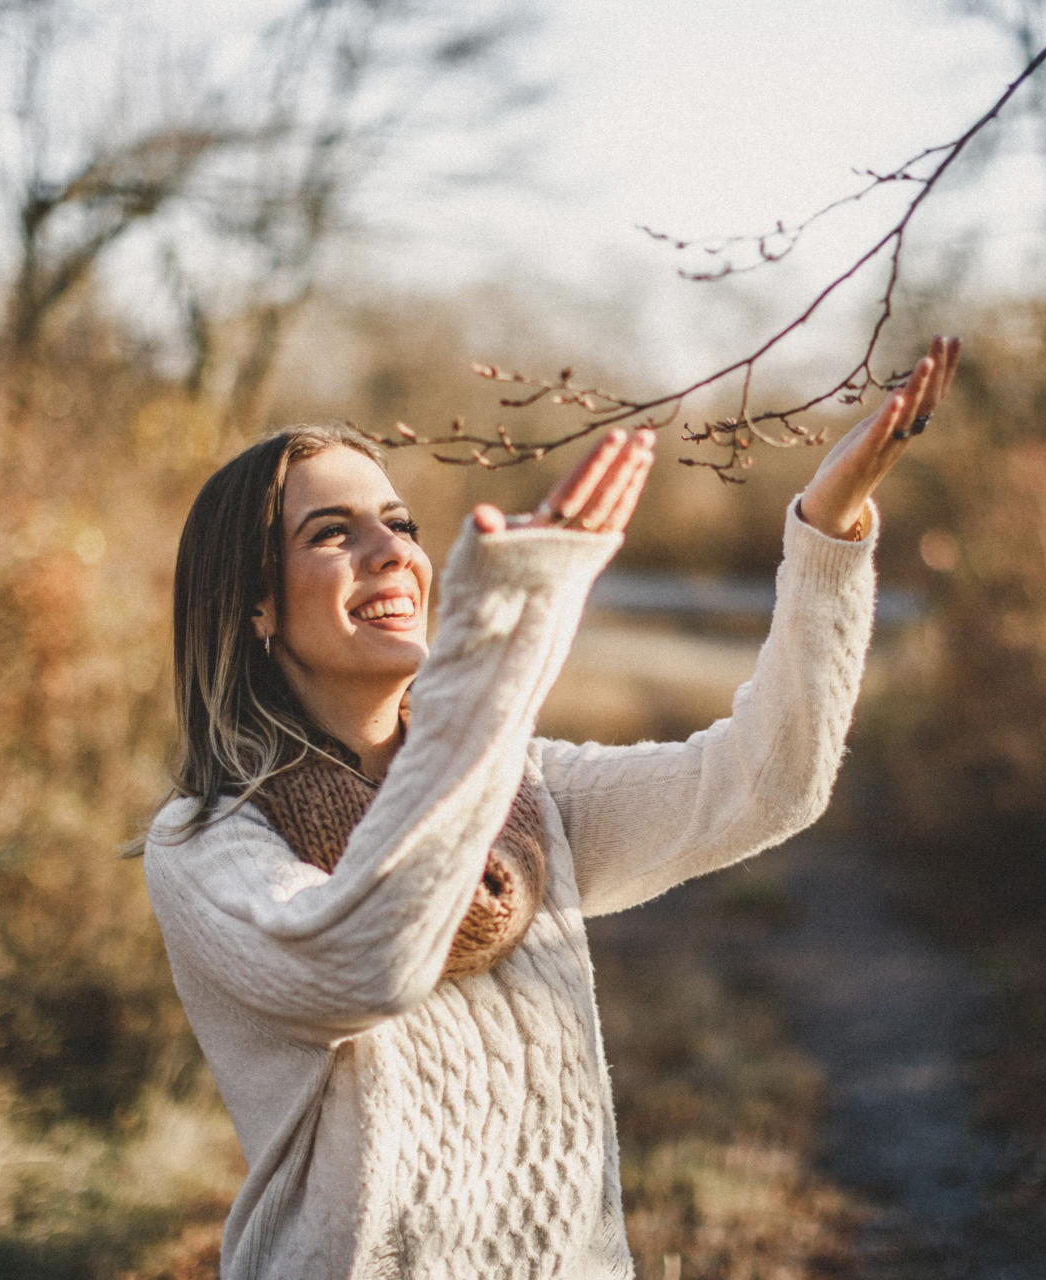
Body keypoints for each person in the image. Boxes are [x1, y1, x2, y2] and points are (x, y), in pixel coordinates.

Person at [144, 336, 961, 1278]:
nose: (392, 554)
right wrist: (502, 642)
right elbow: (364, 960)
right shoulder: (208, 843)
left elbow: (766, 782)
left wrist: (827, 526)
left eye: (399, 523)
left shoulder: (524, 789)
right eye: (331, 533)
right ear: (256, 606)